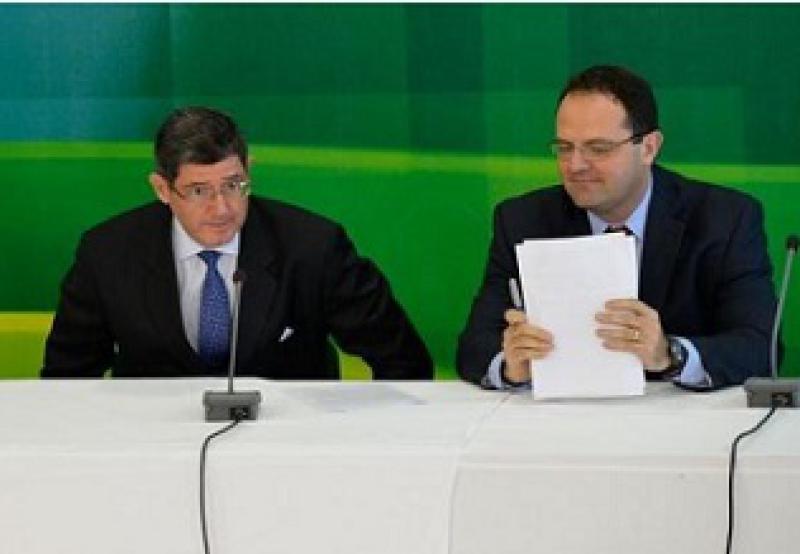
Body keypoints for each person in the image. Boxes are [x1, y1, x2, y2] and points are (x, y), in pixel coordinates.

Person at [42, 106, 433, 380]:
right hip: (155, 452)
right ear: (162, 189)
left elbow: (404, 362)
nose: (221, 208)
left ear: (250, 171)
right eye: (198, 191)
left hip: (286, 449)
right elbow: (66, 379)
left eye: (233, 185)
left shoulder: (313, 247)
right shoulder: (108, 254)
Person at [457, 65, 776, 391]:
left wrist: (670, 354)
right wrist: (510, 365)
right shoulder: (523, 220)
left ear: (649, 147)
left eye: (598, 149)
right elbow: (474, 348)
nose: (575, 165)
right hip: (562, 414)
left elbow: (760, 347)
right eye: (564, 148)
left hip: (682, 414)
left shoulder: (725, 219)